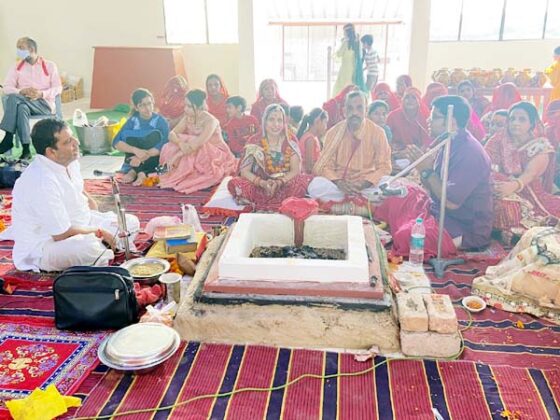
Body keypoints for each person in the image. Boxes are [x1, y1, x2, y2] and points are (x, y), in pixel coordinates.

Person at [5, 118, 139, 272]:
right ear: (51, 152)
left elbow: (78, 190)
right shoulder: (42, 181)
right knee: (88, 248)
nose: (76, 143)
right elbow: (61, 234)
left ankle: (106, 249)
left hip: (81, 224)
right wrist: (98, 232)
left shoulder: (68, 160)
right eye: (68, 141)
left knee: (130, 223)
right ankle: (105, 249)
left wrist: (96, 218)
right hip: (46, 245)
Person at [378, 95, 493, 258]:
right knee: (398, 193)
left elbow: (451, 202)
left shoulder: (470, 152)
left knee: (406, 237)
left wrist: (426, 170)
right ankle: (408, 224)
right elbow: (430, 185)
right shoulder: (447, 140)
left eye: (435, 117)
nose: (428, 120)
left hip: (463, 226)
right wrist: (421, 167)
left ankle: (407, 229)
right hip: (439, 211)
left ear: (451, 122)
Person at [484, 101, 560, 243]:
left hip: (529, 194)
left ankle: (515, 231)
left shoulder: (540, 146)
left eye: (522, 119)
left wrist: (512, 186)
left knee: (505, 207)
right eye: (512, 119)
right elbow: (484, 163)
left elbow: (530, 175)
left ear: (532, 123)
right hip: (501, 187)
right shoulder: (499, 139)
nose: (515, 123)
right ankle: (508, 230)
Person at [308, 90, 392, 212]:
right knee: (315, 185)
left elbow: (384, 166)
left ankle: (343, 206)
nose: (355, 113)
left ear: (366, 110)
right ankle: (362, 207)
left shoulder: (378, 133)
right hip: (340, 187)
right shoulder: (333, 133)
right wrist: (339, 183)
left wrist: (366, 183)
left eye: (359, 108)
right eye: (350, 108)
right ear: (344, 111)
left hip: (367, 186)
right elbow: (325, 166)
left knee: (391, 184)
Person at [228, 104, 312, 211]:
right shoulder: (254, 141)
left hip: (284, 184)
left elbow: (295, 170)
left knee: (302, 181)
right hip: (259, 185)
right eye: (271, 119)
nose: (276, 124)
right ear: (264, 121)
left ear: (284, 122)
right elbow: (245, 171)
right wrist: (262, 183)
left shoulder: (290, 140)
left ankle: (259, 202)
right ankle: (280, 202)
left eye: (279, 120)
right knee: (235, 183)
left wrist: (279, 182)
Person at [158, 89, 237, 194]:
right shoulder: (188, 117)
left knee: (191, 141)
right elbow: (172, 134)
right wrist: (180, 143)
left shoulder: (211, 121)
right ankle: (169, 171)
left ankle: (177, 172)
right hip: (194, 149)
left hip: (215, 152)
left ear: (199, 107)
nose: (185, 109)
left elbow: (197, 144)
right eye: (185, 105)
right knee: (170, 146)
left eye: (189, 106)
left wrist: (174, 158)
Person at [0, 37, 62, 159]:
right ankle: (26, 148)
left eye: (21, 48)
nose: (18, 51)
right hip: (24, 101)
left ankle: (8, 137)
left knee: (14, 99)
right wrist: (21, 91)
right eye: (17, 48)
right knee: (21, 106)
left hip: (43, 104)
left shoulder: (50, 66)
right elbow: (6, 87)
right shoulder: (16, 67)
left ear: (32, 49)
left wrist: (41, 94)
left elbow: (58, 88)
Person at [112, 89, 169, 186]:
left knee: (155, 135)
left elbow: (164, 144)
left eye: (149, 103)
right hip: (136, 156)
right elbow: (116, 142)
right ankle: (140, 173)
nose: (147, 108)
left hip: (154, 159)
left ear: (153, 103)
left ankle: (135, 172)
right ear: (136, 107)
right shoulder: (133, 121)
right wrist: (135, 150)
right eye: (142, 105)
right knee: (129, 136)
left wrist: (140, 157)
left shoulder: (160, 121)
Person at [386, 87, 431, 156]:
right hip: (396, 155)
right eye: (407, 97)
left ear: (419, 101)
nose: (410, 100)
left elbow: (428, 140)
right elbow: (385, 139)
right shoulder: (393, 116)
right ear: (402, 100)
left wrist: (417, 152)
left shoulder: (424, 117)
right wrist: (399, 153)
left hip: (419, 155)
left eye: (413, 98)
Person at [332, 23, 365, 97]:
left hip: (345, 69)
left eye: (344, 32)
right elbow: (360, 55)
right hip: (354, 69)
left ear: (347, 32)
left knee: (341, 86)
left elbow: (339, 54)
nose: (343, 33)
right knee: (351, 86)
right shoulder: (358, 43)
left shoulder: (345, 42)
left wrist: (333, 54)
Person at [296, 108, 328, 174]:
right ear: (317, 121)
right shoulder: (310, 139)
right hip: (308, 177)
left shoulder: (313, 137)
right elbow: (309, 167)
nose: (326, 127)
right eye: (325, 122)